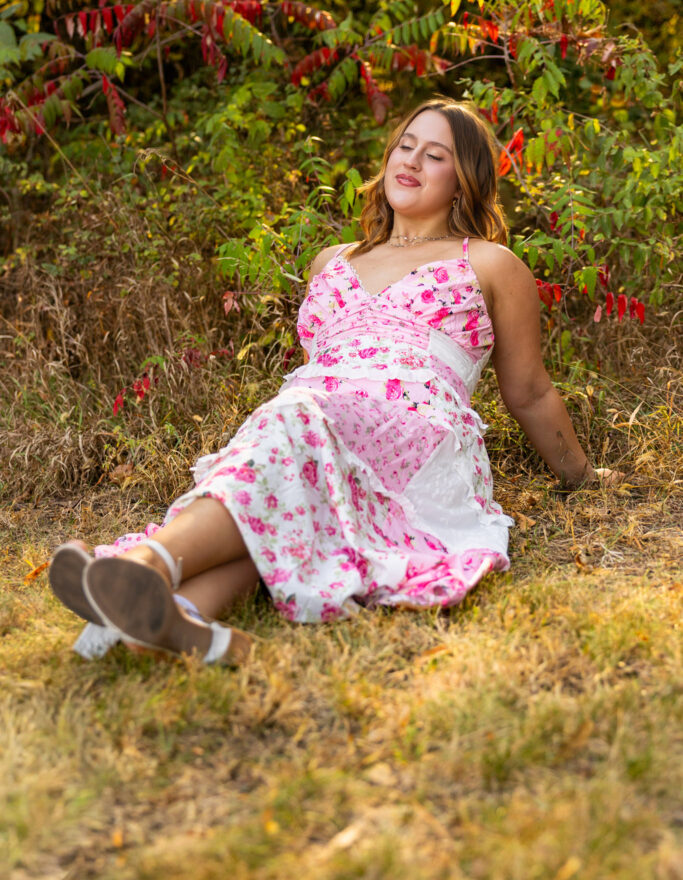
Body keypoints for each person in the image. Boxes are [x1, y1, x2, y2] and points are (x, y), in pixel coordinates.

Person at [48, 98, 613, 665]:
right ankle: (179, 622)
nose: (410, 160)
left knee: (297, 418)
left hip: (413, 436)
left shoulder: (490, 263)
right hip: (317, 413)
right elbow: (327, 363)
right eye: (405, 145)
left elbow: (529, 391)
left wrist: (582, 476)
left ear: (464, 181)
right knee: (293, 486)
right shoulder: (332, 261)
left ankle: (147, 565)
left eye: (435, 154)